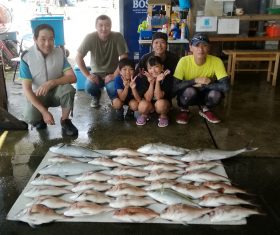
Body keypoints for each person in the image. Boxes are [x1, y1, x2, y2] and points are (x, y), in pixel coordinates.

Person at [19, 24, 78, 136]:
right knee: (30, 116)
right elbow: (26, 89)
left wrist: (52, 83)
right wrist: (44, 112)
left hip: (56, 92)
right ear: (35, 39)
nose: (47, 43)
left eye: (51, 39)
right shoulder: (26, 57)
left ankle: (65, 121)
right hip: (38, 94)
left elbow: (72, 77)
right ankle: (39, 119)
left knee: (68, 89)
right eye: (43, 39)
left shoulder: (60, 53)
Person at [173, 33, 230, 124]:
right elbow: (174, 86)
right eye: (197, 45)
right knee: (189, 92)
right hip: (189, 93)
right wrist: (195, 80)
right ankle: (184, 110)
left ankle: (206, 109)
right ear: (191, 47)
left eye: (204, 45)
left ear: (209, 47)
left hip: (205, 93)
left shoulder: (217, 61)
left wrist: (204, 85)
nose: (200, 49)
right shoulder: (183, 61)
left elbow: (225, 87)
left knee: (216, 94)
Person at [75, 15, 129, 108]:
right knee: (89, 87)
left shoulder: (117, 36)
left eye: (107, 25)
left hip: (112, 73)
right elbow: (78, 58)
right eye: (100, 25)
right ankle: (96, 96)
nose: (104, 28)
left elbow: (124, 58)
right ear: (96, 26)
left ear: (111, 26)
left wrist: (114, 75)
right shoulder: (90, 37)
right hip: (96, 74)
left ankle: (114, 99)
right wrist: (88, 75)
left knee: (113, 89)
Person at [136, 55, 173, 128]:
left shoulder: (167, 78)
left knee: (161, 104)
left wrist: (158, 82)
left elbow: (158, 97)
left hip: (163, 105)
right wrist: (152, 83)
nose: (153, 70)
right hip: (151, 105)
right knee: (142, 106)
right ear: (147, 69)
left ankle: (163, 116)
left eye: (156, 66)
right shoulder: (145, 78)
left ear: (162, 67)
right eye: (150, 68)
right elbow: (148, 99)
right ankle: (145, 115)